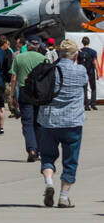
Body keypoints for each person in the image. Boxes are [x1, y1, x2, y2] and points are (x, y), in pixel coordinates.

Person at [36, 37, 88, 208]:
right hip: (72, 121)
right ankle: (64, 197)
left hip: (49, 120)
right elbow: (84, 85)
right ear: (75, 55)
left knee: (48, 156)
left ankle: (49, 182)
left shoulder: (51, 70)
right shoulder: (80, 70)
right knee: (70, 160)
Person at [10, 36, 48, 162]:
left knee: (27, 123)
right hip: (39, 93)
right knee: (39, 122)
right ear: (39, 46)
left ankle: (32, 149)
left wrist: (12, 96)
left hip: (24, 91)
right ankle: (40, 150)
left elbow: (14, 78)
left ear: (27, 44)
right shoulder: (44, 59)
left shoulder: (19, 58)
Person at [77, 36, 97, 111]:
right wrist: (97, 73)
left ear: (82, 42)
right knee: (93, 88)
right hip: (91, 71)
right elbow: (94, 63)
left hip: (82, 72)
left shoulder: (80, 52)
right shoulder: (93, 51)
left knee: (84, 88)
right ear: (89, 42)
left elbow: (78, 62)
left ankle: (86, 104)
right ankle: (93, 103)